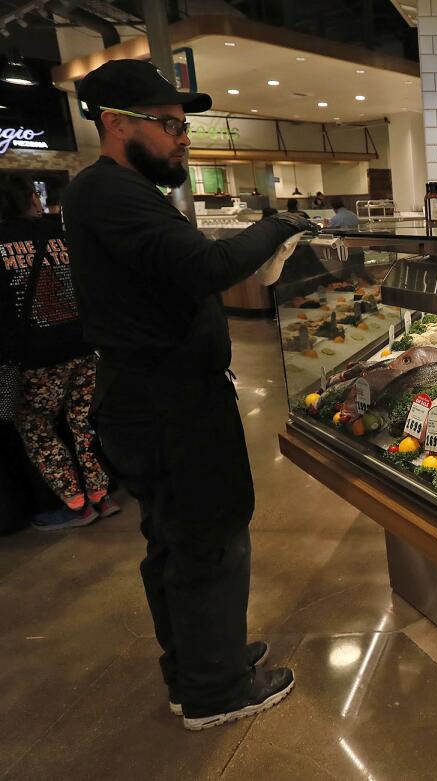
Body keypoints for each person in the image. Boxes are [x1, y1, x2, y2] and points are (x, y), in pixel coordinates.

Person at [64, 59, 316, 731]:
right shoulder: (108, 193)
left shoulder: (121, 193)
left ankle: (201, 662)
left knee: (178, 541)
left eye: (183, 125)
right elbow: (206, 267)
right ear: (116, 123)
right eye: (170, 124)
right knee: (210, 538)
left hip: (159, 396)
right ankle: (217, 688)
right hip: (166, 403)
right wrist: (281, 223)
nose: (183, 138)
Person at [0, 173, 118, 529]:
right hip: (83, 346)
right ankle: (101, 494)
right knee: (83, 424)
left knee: (38, 430)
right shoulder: (59, 233)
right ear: (30, 199)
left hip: (33, 359)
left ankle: (76, 505)